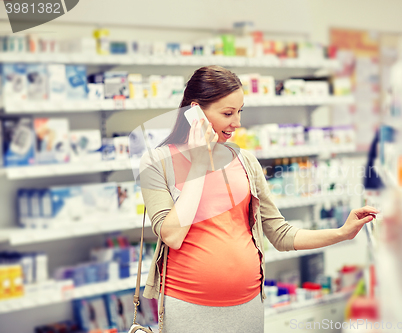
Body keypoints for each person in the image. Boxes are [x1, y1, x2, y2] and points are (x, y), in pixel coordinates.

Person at [139, 65, 378, 333]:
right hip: (189, 306)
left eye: (240, 111)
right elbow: (171, 235)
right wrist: (198, 164)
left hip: (249, 304)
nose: (237, 123)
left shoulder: (245, 161)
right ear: (195, 111)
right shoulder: (157, 162)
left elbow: (280, 233)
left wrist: (342, 234)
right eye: (228, 113)